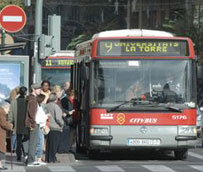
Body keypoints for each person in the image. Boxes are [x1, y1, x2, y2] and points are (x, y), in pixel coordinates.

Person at [8, 86, 29, 161]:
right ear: (25, 92)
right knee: (26, 139)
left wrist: (10, 121)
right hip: (26, 123)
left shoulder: (14, 101)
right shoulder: (27, 101)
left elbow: (10, 113)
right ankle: (25, 153)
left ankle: (19, 155)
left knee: (19, 140)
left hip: (17, 124)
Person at [25, 83, 41, 167]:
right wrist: (33, 123)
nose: (40, 90)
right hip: (33, 123)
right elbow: (32, 113)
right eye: (38, 89)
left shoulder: (30, 98)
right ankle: (30, 160)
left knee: (32, 141)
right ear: (33, 89)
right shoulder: (33, 99)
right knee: (33, 142)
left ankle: (30, 159)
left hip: (31, 123)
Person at [45, 93, 64, 163]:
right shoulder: (56, 107)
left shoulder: (46, 106)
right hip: (55, 127)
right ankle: (52, 158)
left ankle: (48, 158)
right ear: (56, 99)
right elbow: (58, 118)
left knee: (49, 144)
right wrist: (62, 124)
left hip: (48, 126)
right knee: (54, 144)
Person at [60, 89, 76, 153]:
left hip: (73, 119)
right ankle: (65, 148)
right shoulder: (65, 100)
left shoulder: (75, 101)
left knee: (72, 134)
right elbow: (62, 108)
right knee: (66, 134)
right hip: (67, 119)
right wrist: (68, 112)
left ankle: (68, 147)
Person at [35, 94, 49, 165]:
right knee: (40, 143)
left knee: (39, 142)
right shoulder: (39, 107)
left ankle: (38, 158)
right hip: (39, 126)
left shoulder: (39, 106)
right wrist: (46, 116)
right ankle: (38, 158)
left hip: (39, 126)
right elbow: (38, 118)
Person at [0, 101, 13, 170]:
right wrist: (10, 125)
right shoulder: (2, 112)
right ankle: (1, 165)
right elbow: (3, 123)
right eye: (8, 109)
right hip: (0, 133)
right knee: (1, 148)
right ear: (5, 107)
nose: (9, 110)